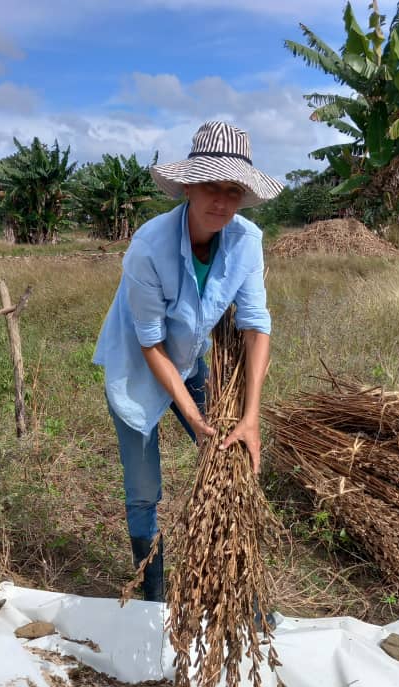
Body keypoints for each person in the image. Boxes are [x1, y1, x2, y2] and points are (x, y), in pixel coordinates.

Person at [93, 121, 283, 601]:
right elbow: (150, 343)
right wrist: (195, 417)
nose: (220, 201)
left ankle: (235, 589)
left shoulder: (246, 240)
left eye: (232, 190)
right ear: (187, 186)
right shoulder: (149, 248)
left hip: (190, 361)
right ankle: (154, 596)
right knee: (143, 487)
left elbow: (256, 324)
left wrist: (250, 416)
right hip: (139, 367)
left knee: (227, 456)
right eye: (210, 187)